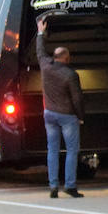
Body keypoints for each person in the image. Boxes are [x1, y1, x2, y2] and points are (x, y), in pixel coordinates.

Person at [37, 15, 85, 198]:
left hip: (49, 114)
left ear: (54, 57)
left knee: (52, 150)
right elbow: (77, 98)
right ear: (66, 58)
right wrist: (80, 116)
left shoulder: (45, 66)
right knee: (72, 150)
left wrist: (40, 32)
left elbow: (40, 50)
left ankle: (53, 186)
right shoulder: (70, 75)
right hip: (67, 116)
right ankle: (70, 185)